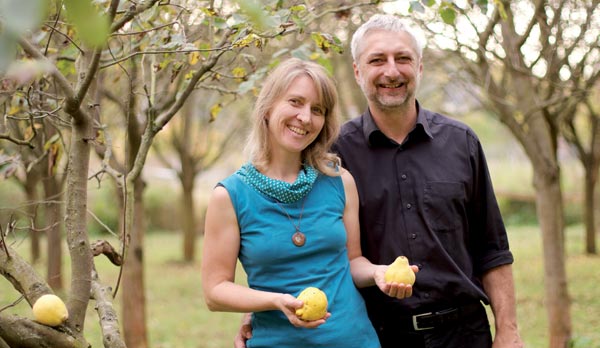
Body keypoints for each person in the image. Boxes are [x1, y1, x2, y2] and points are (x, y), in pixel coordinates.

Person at [235, 14, 523, 348]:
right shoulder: (328, 156)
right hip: (378, 333)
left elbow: (493, 249)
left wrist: (509, 330)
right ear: (358, 71)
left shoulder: (462, 143)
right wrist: (260, 311)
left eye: (403, 59)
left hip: (463, 333)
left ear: (419, 67)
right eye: (377, 60)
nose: (391, 71)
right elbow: (299, 240)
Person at [201, 57, 415, 348]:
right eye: (295, 102)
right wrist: (275, 301)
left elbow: (353, 261)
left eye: (318, 110)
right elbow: (215, 292)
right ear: (268, 107)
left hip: (354, 340)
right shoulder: (230, 196)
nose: (305, 117)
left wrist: (377, 272)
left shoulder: (340, 181)